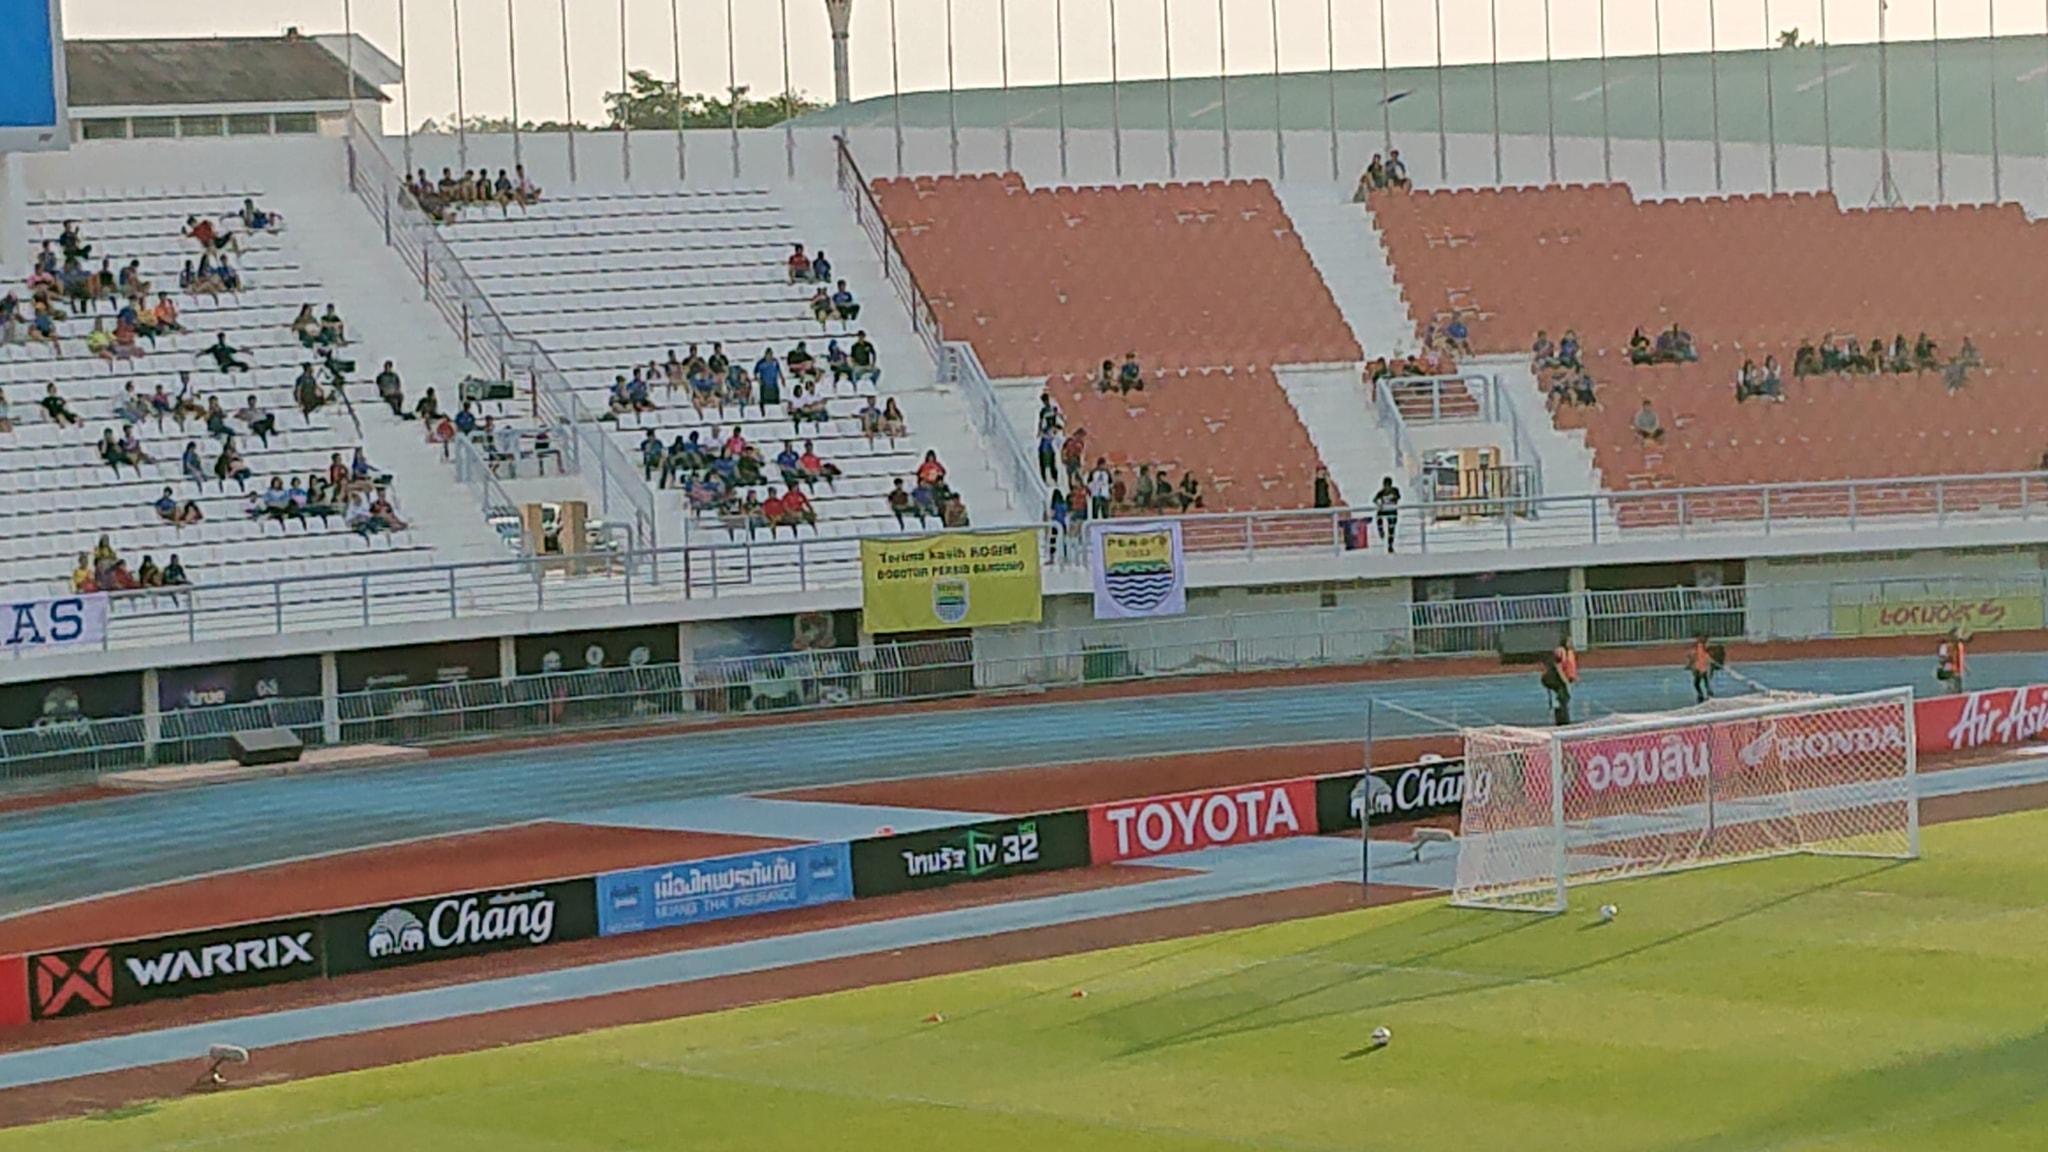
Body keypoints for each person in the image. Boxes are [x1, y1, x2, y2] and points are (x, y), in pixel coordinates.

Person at [1372, 476, 1401, 553]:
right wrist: (1379, 505)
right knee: (1378, 516)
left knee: (1391, 528)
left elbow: (1398, 497)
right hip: (1384, 509)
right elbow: (1374, 500)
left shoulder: (1395, 490)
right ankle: (1381, 530)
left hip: (1392, 510)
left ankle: (1390, 545)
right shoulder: (1381, 492)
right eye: (1385, 485)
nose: (1387, 487)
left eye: (1388, 485)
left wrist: (1394, 499)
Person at [1936, 629, 1967, 695]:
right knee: (1950, 689)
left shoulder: (1959, 646)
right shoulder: (1946, 646)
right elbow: (1942, 659)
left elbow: (1959, 658)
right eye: (1958, 635)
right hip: (1949, 670)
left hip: (1957, 671)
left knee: (1958, 689)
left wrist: (1964, 666)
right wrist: (1949, 659)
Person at [1687, 634, 1716, 703]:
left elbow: (1701, 658)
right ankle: (1709, 693)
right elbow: (1704, 656)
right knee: (1704, 681)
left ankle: (1702, 695)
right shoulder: (1702, 647)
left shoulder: (1700, 647)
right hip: (1702, 668)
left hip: (1700, 668)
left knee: (1697, 683)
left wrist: (1700, 669)